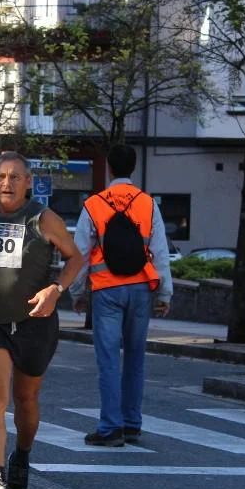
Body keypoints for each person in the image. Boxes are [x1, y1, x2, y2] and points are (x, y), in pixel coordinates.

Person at [0, 152, 84, 489]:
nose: (7, 183)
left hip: (34, 322)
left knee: (25, 399)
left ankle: (22, 455)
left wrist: (56, 289)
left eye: (15, 177)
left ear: (28, 182)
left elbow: (76, 258)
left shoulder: (43, 218)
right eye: (1, 177)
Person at [70, 143, 174, 447]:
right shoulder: (148, 204)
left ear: (109, 168)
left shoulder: (94, 204)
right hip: (141, 289)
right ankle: (131, 424)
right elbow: (160, 252)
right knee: (135, 357)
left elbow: (81, 252)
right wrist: (164, 294)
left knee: (109, 360)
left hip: (107, 290)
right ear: (134, 167)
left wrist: (77, 291)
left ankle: (110, 427)